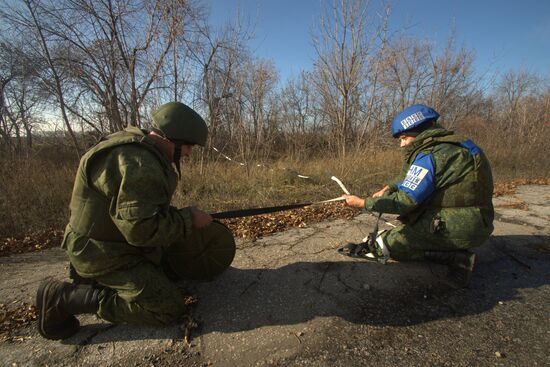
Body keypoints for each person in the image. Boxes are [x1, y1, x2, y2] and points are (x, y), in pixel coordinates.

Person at [36, 102, 235, 340]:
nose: (191, 153)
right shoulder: (140, 164)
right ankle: (64, 298)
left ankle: (100, 279)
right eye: (190, 146)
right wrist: (188, 220)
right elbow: (141, 231)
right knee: (168, 307)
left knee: (175, 268)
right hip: (104, 254)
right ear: (173, 139)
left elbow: (139, 211)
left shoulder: (133, 144)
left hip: (104, 243)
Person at [343, 104, 494, 288]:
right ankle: (449, 244)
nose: (402, 144)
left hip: (456, 226)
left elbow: (406, 202)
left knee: (390, 245)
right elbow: (416, 177)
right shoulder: (458, 145)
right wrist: (389, 187)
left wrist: (363, 203)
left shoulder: (431, 155)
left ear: (417, 132)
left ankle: (457, 258)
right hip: (481, 221)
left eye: (403, 138)